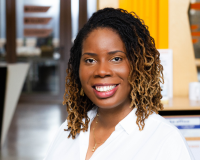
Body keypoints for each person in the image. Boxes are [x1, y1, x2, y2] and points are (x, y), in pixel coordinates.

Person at [44, 8, 194, 160]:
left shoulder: (166, 140)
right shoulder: (68, 129)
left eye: (116, 58)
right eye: (90, 60)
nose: (102, 71)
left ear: (138, 65)